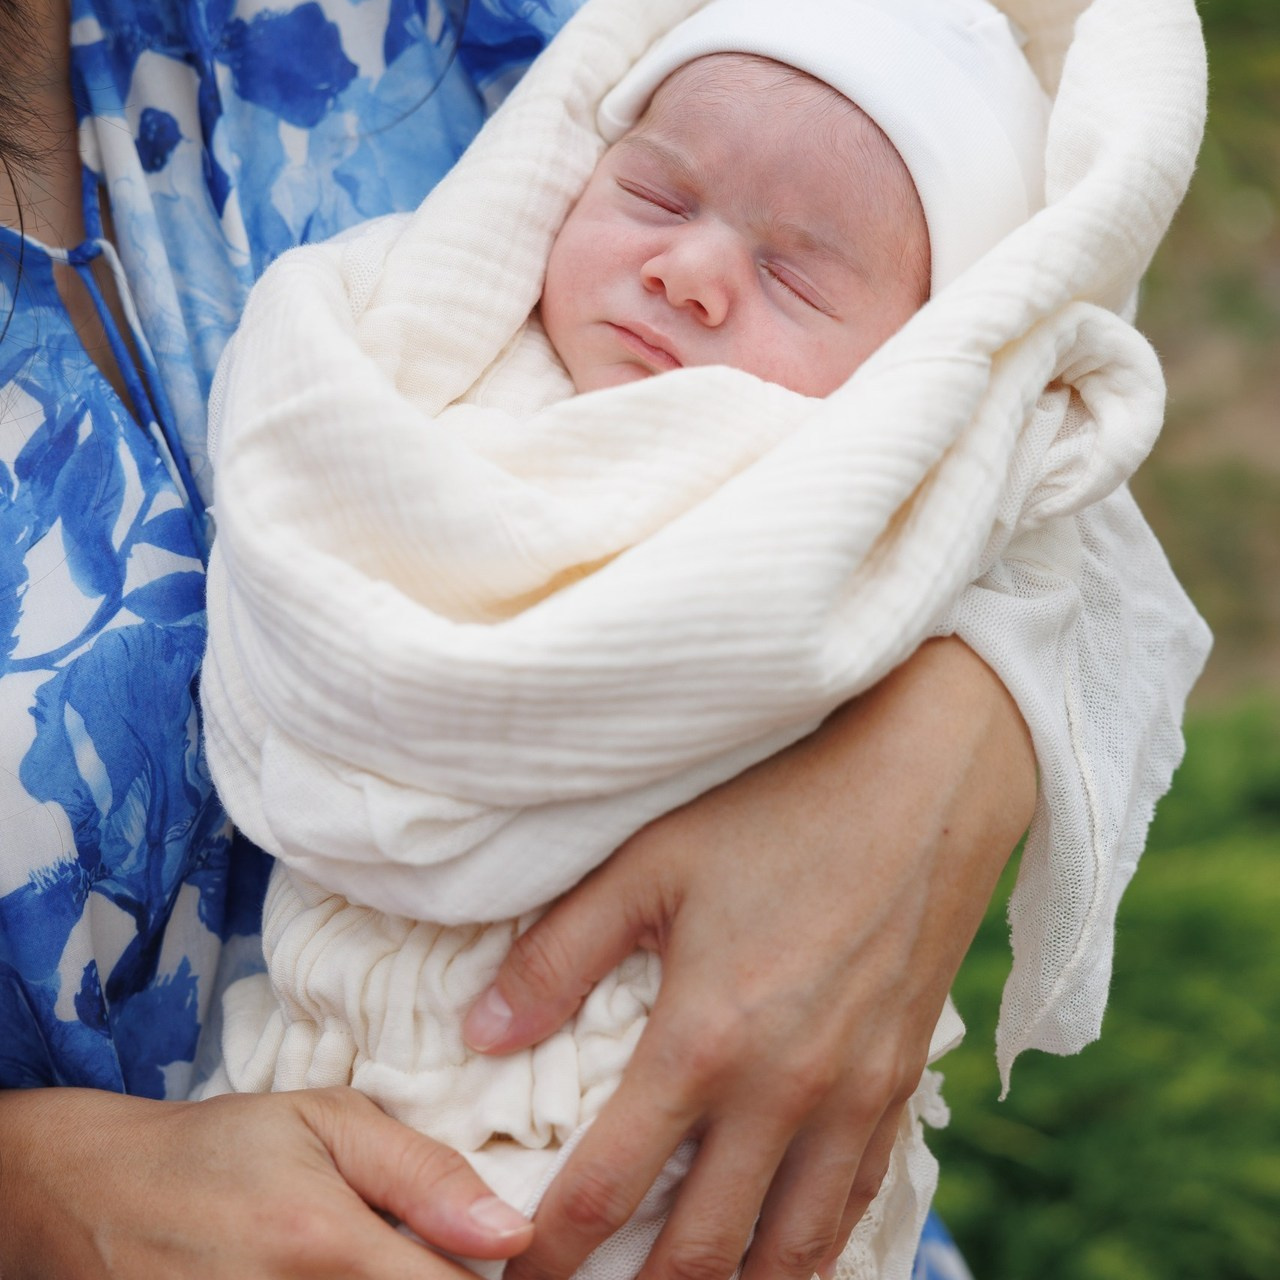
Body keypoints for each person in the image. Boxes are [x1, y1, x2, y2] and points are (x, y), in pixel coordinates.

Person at [0, 1, 1208, 1278]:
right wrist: (36, 1193)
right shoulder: (395, 353)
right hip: (319, 1071)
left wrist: (942, 739)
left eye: (794, 276)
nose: (688, 271)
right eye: (654, 195)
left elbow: (1052, 433)